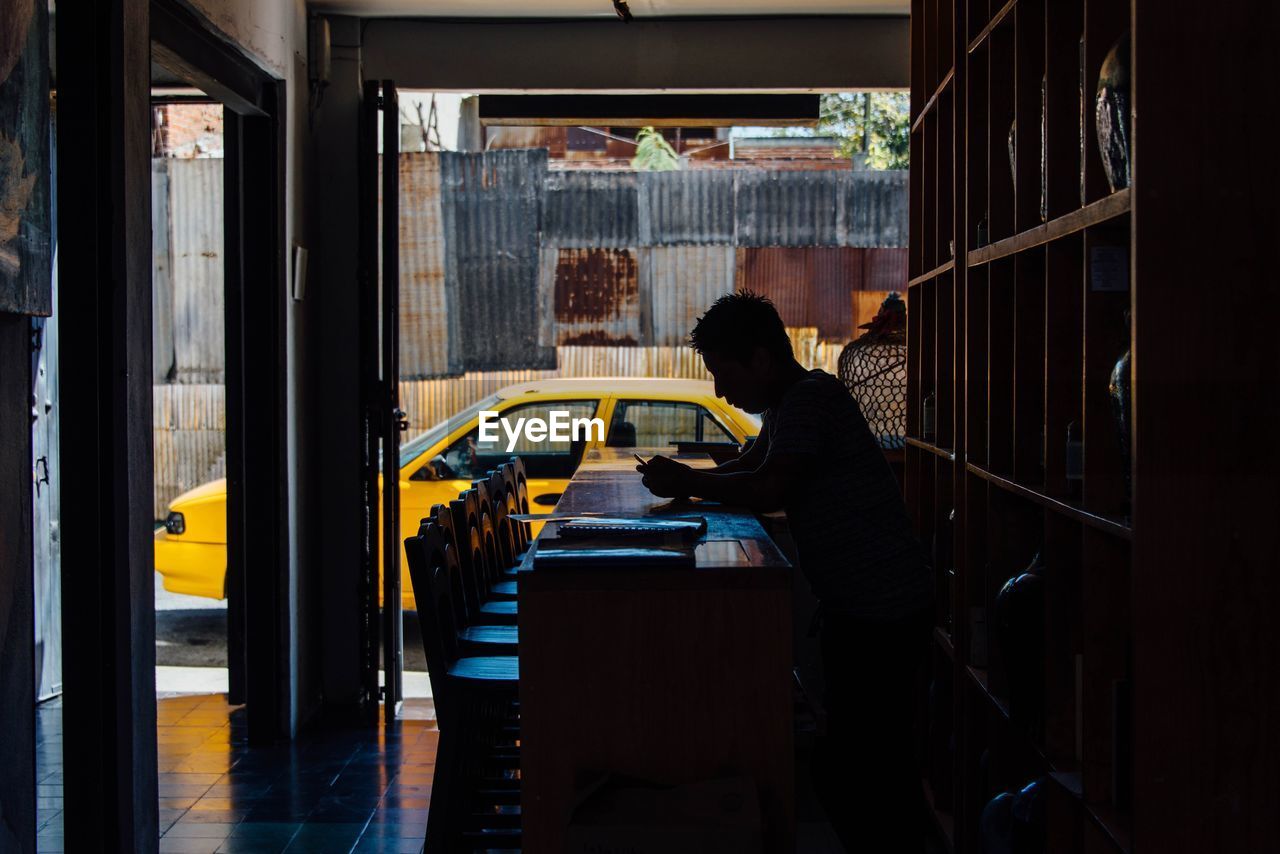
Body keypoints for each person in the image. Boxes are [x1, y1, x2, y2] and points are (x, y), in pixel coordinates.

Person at [637, 291, 933, 853]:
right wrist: (688, 478)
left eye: (724, 374)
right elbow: (751, 467)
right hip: (867, 608)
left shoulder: (810, 400)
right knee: (865, 766)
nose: (722, 391)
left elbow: (769, 488)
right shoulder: (788, 404)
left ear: (762, 360)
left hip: (883, 610)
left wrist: (687, 483)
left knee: (860, 771)